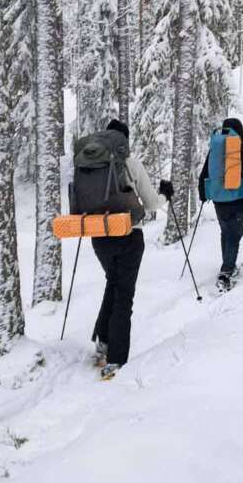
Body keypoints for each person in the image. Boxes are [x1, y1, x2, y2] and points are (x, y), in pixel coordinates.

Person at [91, 118, 173, 380]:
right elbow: (150, 204)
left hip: (99, 235)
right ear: (124, 140)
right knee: (123, 294)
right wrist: (165, 195)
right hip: (127, 235)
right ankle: (116, 358)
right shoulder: (131, 162)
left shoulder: (91, 162)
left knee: (111, 284)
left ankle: (102, 342)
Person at [197, 117, 243, 293]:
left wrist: (203, 195)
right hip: (240, 200)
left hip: (219, 202)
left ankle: (227, 266)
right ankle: (226, 272)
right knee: (235, 236)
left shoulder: (214, 152)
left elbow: (203, 176)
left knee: (226, 232)